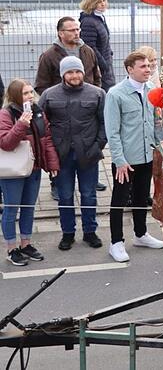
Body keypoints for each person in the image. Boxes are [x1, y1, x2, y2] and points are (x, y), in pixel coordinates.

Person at [104, 51, 163, 263]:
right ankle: (116, 242)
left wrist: (160, 149)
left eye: (149, 66)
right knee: (119, 200)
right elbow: (112, 131)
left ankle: (141, 234)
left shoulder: (152, 91)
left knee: (141, 197)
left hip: (147, 155)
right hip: (126, 160)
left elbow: (156, 122)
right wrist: (119, 160)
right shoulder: (115, 94)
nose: (148, 70)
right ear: (130, 69)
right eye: (142, 66)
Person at [38, 57, 105, 251]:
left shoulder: (98, 94)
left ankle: (90, 232)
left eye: (77, 71)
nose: (74, 76)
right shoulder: (49, 95)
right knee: (65, 196)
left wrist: (97, 146)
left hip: (88, 154)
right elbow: (41, 125)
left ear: (83, 72)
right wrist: (49, 153)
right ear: (62, 74)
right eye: (69, 72)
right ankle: (68, 233)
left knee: (89, 195)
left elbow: (105, 123)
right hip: (61, 156)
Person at [0, 79, 59, 266]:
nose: (30, 97)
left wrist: (52, 164)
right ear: (16, 96)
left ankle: (26, 244)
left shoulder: (38, 112)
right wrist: (21, 125)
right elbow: (6, 143)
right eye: (25, 94)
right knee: (11, 209)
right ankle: (11, 248)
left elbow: (46, 139)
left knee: (28, 208)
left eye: (31, 93)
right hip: (13, 172)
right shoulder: (6, 114)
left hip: (33, 168)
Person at [34, 16, 101, 95]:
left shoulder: (88, 51)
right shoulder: (49, 56)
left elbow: (97, 78)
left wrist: (94, 96)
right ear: (61, 33)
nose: (76, 33)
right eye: (72, 30)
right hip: (61, 104)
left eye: (77, 29)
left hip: (87, 103)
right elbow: (41, 85)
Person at [79, 0, 115, 92]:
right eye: (99, 2)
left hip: (106, 64)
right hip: (99, 67)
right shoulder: (88, 22)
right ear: (91, 3)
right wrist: (103, 64)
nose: (103, 4)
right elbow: (90, 47)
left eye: (104, 0)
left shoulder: (99, 18)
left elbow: (104, 41)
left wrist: (109, 55)